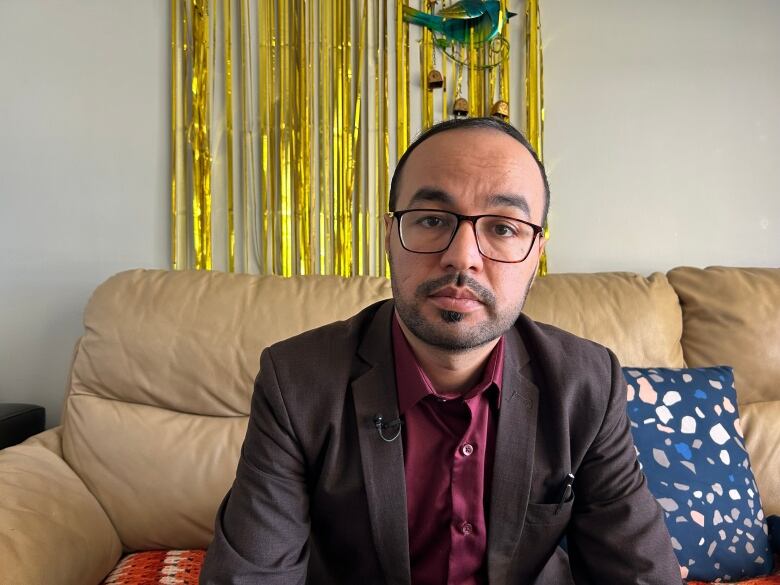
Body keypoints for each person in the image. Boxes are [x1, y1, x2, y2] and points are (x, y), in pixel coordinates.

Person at [200, 117, 682, 585]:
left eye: (504, 227)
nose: (462, 255)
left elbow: (638, 568)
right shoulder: (296, 381)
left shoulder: (589, 383)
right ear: (390, 235)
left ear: (536, 254)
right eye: (432, 219)